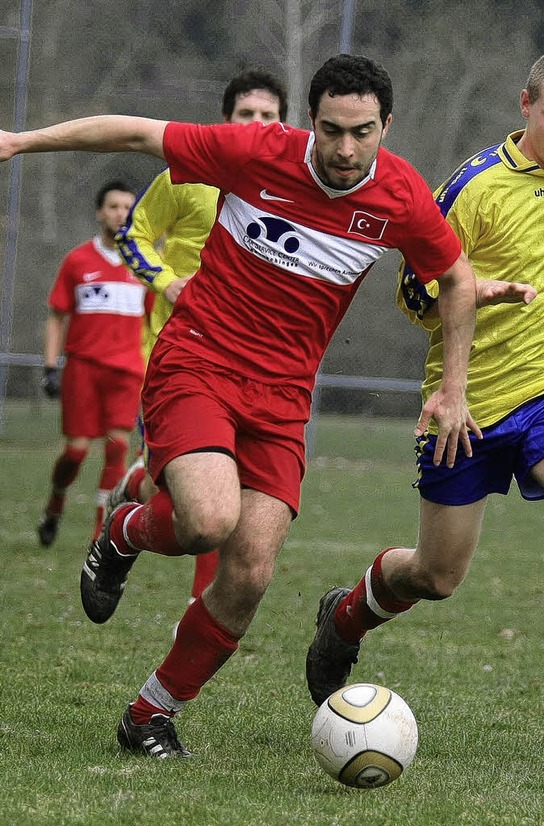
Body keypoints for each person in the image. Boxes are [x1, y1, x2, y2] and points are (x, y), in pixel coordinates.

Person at [0, 54, 482, 759]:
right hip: (199, 360)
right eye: (331, 130)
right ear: (307, 121)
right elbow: (135, 135)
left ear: (387, 126)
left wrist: (454, 389)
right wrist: (19, 142)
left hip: (284, 398)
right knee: (209, 522)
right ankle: (124, 531)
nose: (345, 149)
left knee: (252, 568)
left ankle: (149, 715)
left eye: (363, 132)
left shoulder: (402, 197)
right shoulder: (255, 151)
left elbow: (457, 280)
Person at [305, 48, 544, 750]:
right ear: (525, 104)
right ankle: (344, 618)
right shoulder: (474, 187)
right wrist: (474, 291)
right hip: (467, 404)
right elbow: (413, 295)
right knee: (435, 575)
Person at [111, 69, 289, 620]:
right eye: (246, 115)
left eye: (268, 116)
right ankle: (137, 491)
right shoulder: (185, 177)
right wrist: (169, 282)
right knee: (192, 497)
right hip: (176, 352)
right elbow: (132, 234)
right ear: (225, 121)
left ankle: (198, 605)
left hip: (251, 364)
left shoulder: (294, 191)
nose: (257, 125)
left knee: (223, 495)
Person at [37, 180, 152, 547]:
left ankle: (100, 534)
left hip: (127, 370)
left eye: (127, 207)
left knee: (118, 446)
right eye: (114, 206)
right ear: (100, 212)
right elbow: (57, 316)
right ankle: (55, 503)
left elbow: (154, 323)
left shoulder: (145, 262)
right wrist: (50, 366)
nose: (121, 213)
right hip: (83, 369)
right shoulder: (78, 260)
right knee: (76, 451)